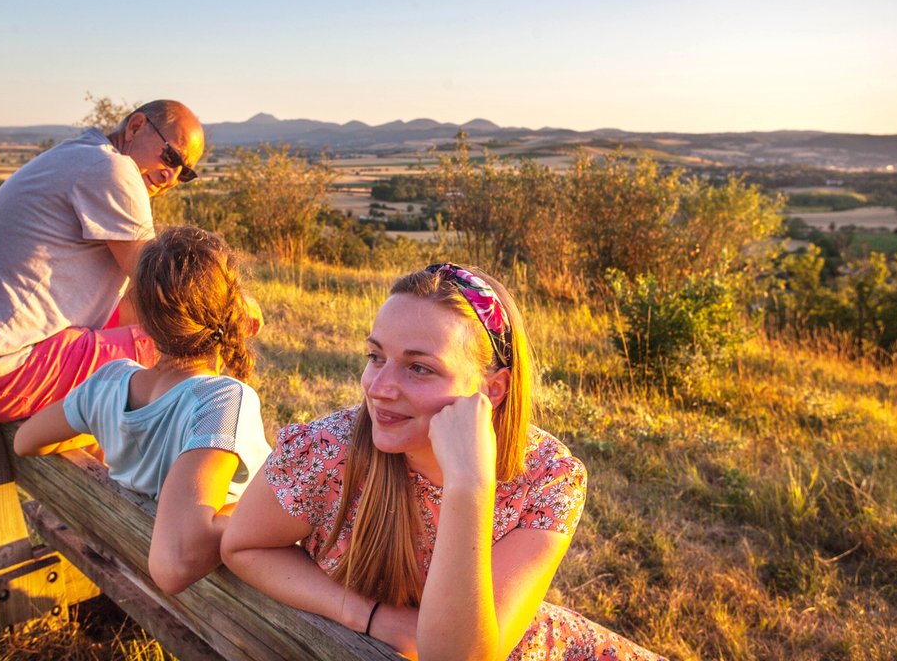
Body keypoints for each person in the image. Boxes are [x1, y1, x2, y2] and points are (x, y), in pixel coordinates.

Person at [221, 263, 665, 661]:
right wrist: (369, 616)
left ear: (493, 389)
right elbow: (243, 546)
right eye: (376, 357)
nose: (379, 388)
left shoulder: (547, 477)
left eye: (419, 368)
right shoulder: (328, 451)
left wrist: (468, 485)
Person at [14, 226, 270, 594]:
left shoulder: (108, 382)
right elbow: (177, 561)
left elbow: (25, 441)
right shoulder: (221, 401)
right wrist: (271, 510)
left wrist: (107, 427)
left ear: (142, 319)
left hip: (127, 561)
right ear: (231, 311)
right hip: (218, 602)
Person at [0, 100, 205, 423]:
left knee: (137, 312)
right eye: (170, 156)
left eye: (186, 173)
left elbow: (139, 295)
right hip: (0, 373)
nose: (172, 175)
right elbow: (160, 284)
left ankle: (95, 450)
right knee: (185, 347)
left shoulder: (80, 154)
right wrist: (234, 304)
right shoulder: (113, 169)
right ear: (136, 126)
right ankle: (143, 470)